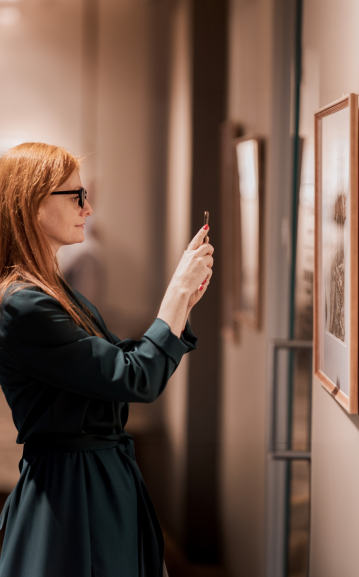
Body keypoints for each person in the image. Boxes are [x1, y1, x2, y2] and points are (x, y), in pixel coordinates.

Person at [0, 142, 214, 577]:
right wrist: (173, 299)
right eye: (76, 195)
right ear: (31, 203)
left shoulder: (54, 292)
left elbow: (125, 361)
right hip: (71, 494)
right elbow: (136, 379)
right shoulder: (23, 305)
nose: (89, 208)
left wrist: (181, 305)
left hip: (92, 481)